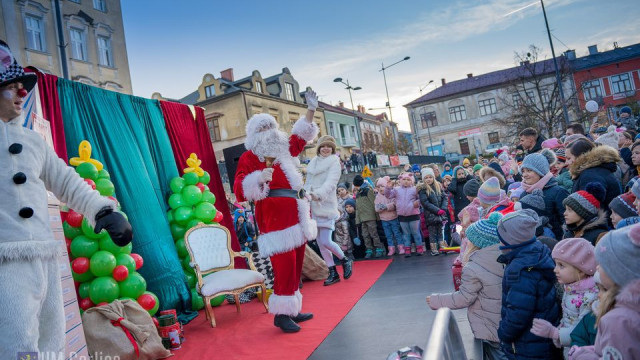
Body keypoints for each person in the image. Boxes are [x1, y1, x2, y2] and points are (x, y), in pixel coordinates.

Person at [0, 40, 132, 357]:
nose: (22, 93)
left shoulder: (34, 142)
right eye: (12, 86)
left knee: (52, 341)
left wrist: (101, 211)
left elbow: (67, 181)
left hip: (44, 257)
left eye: (22, 87)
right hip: (6, 260)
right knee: (17, 346)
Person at [233, 89, 319, 333]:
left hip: (298, 214)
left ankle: (292, 309)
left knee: (296, 264)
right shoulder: (249, 157)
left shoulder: (284, 148)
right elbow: (240, 188)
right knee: (284, 267)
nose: (269, 131)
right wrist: (259, 177)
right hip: (275, 220)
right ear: (254, 135)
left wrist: (311, 109)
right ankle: (281, 315)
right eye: (262, 128)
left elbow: (301, 137)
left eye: (271, 126)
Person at [427, 212, 506, 360]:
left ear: (477, 243)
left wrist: (436, 300)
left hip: (490, 326)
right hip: (508, 322)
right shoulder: (507, 257)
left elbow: (464, 298)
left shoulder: (473, 267)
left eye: (469, 239)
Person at [567, 224, 640, 360]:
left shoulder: (619, 320)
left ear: (618, 271)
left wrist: (582, 355)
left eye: (602, 264)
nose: (597, 268)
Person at [496, 209, 560, 360]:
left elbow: (519, 312)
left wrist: (504, 333)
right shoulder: (536, 253)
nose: (499, 241)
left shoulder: (521, 269)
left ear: (511, 240)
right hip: (540, 338)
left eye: (501, 238)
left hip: (527, 344)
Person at [530, 238, 598, 358]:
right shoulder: (572, 288)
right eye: (556, 264)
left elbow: (583, 332)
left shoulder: (590, 298)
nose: (555, 269)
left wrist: (555, 333)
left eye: (561, 266)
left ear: (581, 270)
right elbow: (569, 317)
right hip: (570, 348)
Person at [304, 135, 353, 286]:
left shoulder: (334, 162)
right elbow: (308, 182)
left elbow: (331, 183)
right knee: (320, 243)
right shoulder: (313, 162)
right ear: (319, 147)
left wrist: (318, 195)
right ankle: (332, 271)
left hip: (326, 204)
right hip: (313, 205)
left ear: (332, 149)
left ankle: (345, 259)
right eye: (323, 146)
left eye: (329, 146)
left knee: (326, 240)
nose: (326, 149)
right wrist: (305, 194)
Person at [519, 152, 569, 240]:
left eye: (529, 170)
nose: (524, 175)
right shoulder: (524, 194)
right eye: (523, 171)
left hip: (555, 243)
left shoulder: (558, 192)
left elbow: (567, 222)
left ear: (541, 172)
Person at [565, 138, 621, 215]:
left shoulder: (590, 175)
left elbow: (590, 209)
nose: (566, 162)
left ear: (581, 157)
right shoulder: (592, 171)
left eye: (568, 158)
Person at [385, 172, 424, 256]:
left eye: (408, 179)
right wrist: (388, 188)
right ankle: (407, 249)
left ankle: (419, 248)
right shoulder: (396, 189)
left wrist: (417, 203)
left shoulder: (415, 189)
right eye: (404, 179)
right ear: (400, 180)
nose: (406, 181)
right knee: (406, 234)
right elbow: (388, 195)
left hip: (414, 214)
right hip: (402, 215)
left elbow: (421, 198)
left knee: (416, 232)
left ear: (411, 180)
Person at [418, 167, 448, 256]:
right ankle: (434, 249)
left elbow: (444, 198)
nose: (428, 179)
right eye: (426, 178)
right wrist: (437, 210)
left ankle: (442, 247)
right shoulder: (423, 190)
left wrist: (443, 209)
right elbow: (425, 203)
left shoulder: (438, 186)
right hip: (431, 215)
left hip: (441, 213)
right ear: (423, 179)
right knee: (432, 233)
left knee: (440, 231)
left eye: (430, 177)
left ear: (433, 177)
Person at [353, 175, 384, 258]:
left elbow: (374, 203)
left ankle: (378, 248)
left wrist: (377, 217)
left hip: (370, 217)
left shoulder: (368, 190)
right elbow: (358, 208)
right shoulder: (358, 194)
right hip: (363, 218)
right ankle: (369, 249)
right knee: (365, 235)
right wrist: (358, 220)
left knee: (373, 233)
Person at [375, 177, 403, 256]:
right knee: (388, 235)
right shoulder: (377, 197)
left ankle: (401, 247)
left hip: (393, 217)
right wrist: (380, 208)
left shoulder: (391, 194)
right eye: (379, 187)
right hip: (384, 219)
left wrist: (386, 207)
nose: (380, 188)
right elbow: (376, 208)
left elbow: (394, 204)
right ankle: (391, 249)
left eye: (382, 186)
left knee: (397, 233)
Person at [335, 183, 354, 259]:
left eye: (342, 190)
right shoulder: (337, 199)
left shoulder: (350, 197)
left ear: (346, 190)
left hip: (349, 219)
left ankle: (351, 252)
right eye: (339, 191)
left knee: (349, 235)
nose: (341, 192)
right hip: (340, 219)